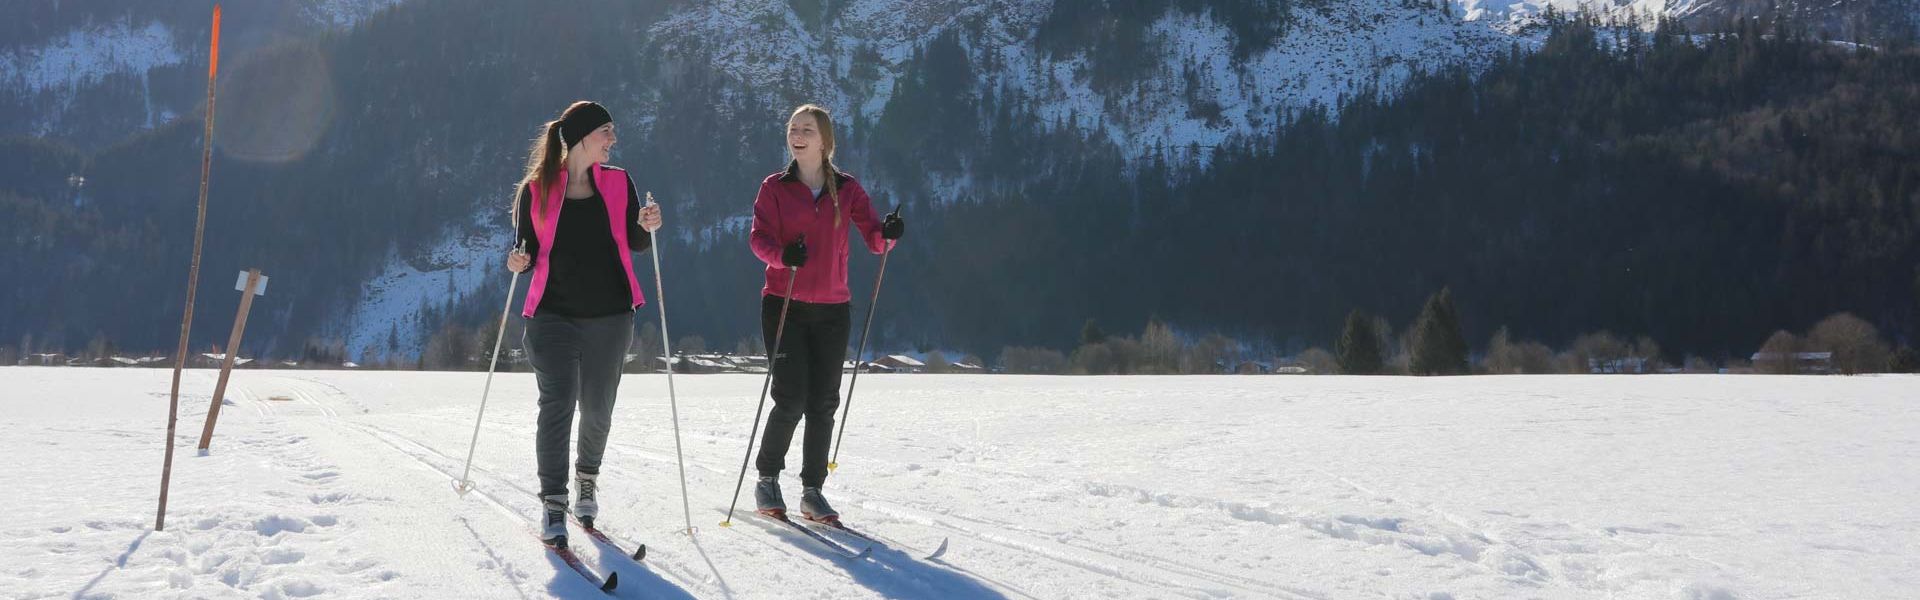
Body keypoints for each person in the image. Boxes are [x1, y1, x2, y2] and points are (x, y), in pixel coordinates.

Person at [505, 100, 663, 547]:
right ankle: (553, 502)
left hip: (611, 315)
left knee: (597, 409)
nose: (613, 140)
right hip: (552, 315)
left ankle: (587, 480)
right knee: (557, 405)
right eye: (606, 132)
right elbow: (523, 249)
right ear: (580, 137)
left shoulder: (618, 182)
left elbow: (636, 242)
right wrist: (517, 259)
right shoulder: (534, 190)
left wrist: (648, 223)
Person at [747, 104, 905, 523]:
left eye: (806, 130)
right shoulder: (774, 188)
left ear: (825, 141)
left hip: (834, 309)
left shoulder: (848, 189)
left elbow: (873, 237)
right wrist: (783, 256)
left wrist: (887, 235)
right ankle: (767, 478)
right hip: (785, 304)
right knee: (791, 397)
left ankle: (812, 491)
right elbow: (758, 240)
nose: (797, 135)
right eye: (792, 128)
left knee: (823, 402)